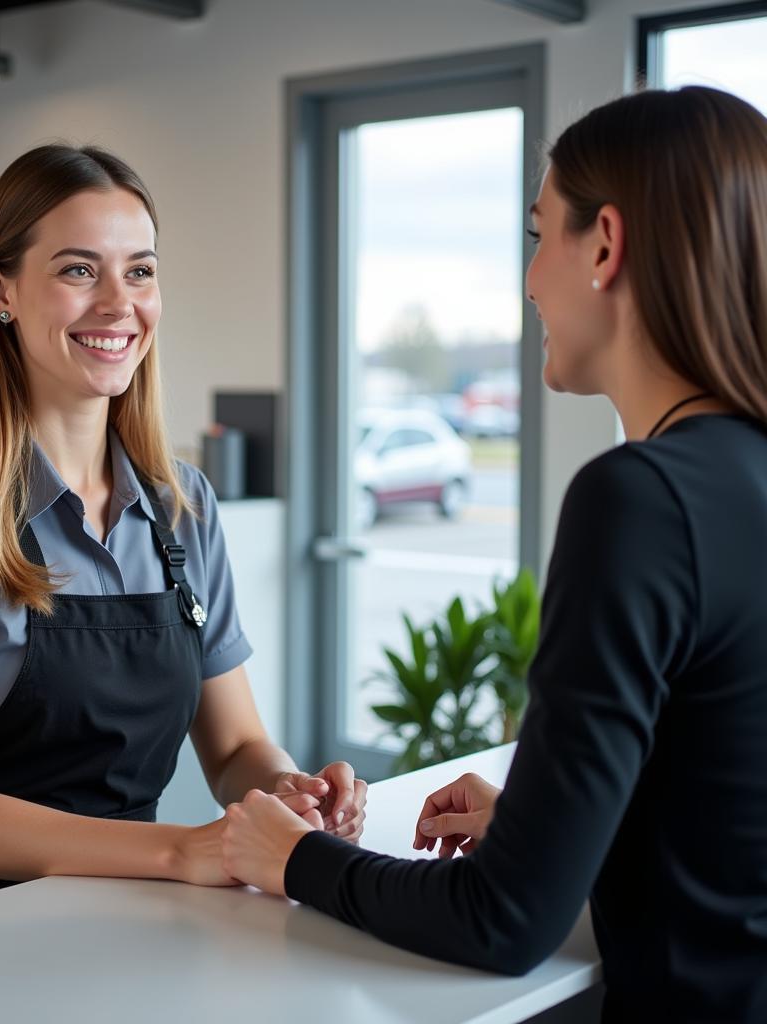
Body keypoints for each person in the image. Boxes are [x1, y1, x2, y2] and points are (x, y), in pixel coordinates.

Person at [220, 86, 767, 1021]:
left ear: (605, 245)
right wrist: (534, 824)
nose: (529, 281)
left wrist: (294, 860)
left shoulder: (639, 499)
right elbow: (726, 801)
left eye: (537, 236)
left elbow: (504, 920)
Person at [0, 144, 367, 924]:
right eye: (78, 270)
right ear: (1, 291)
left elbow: (232, 750)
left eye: (141, 270)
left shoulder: (181, 502)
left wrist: (286, 792)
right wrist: (181, 851)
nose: (119, 304)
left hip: (128, 913)